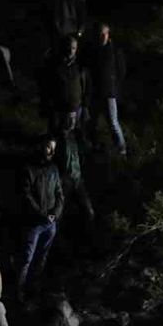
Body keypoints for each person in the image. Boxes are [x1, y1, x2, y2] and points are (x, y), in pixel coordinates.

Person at [49, 35, 96, 222]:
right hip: (60, 112)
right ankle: (60, 179)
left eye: (74, 47)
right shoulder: (56, 67)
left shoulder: (81, 68)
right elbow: (49, 90)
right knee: (59, 143)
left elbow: (87, 90)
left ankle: (76, 175)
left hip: (76, 111)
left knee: (76, 142)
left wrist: (84, 109)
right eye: (69, 47)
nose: (71, 50)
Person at [18, 136, 64, 303]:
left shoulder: (54, 169)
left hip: (50, 223)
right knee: (27, 258)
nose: (51, 151)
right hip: (34, 223)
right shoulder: (29, 169)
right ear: (40, 147)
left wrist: (55, 213)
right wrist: (42, 214)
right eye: (48, 147)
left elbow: (60, 194)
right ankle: (19, 292)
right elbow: (26, 195)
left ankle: (33, 289)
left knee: (42, 257)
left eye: (53, 148)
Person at [84, 22, 127, 156]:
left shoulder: (114, 51)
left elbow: (121, 70)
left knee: (113, 122)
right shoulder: (94, 51)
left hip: (109, 92)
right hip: (96, 92)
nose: (102, 37)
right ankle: (94, 147)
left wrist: (114, 84)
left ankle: (121, 149)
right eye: (100, 34)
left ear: (108, 35)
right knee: (93, 122)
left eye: (104, 34)